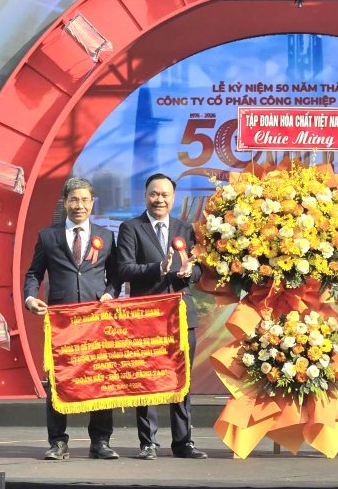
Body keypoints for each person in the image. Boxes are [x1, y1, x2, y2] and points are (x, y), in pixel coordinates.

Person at [24, 177, 121, 461]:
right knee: (58, 380)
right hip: (60, 322)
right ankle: (58, 443)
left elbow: (114, 275)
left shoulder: (107, 236)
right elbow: (33, 274)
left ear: (93, 203)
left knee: (100, 378)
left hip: (95, 320)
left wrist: (110, 294)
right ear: (65, 203)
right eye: (74, 200)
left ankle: (100, 442)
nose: (79, 205)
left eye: (85, 200)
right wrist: (30, 298)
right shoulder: (48, 236)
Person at [116, 173, 207, 460]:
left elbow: (199, 269)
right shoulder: (131, 228)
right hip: (146, 316)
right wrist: (158, 267)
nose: (160, 200)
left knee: (183, 380)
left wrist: (187, 272)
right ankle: (148, 443)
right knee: (146, 379)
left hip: (180, 314)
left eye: (165, 195)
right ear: (146, 196)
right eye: (155, 194)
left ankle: (183, 443)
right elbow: (124, 269)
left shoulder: (185, 228)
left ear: (173, 198)